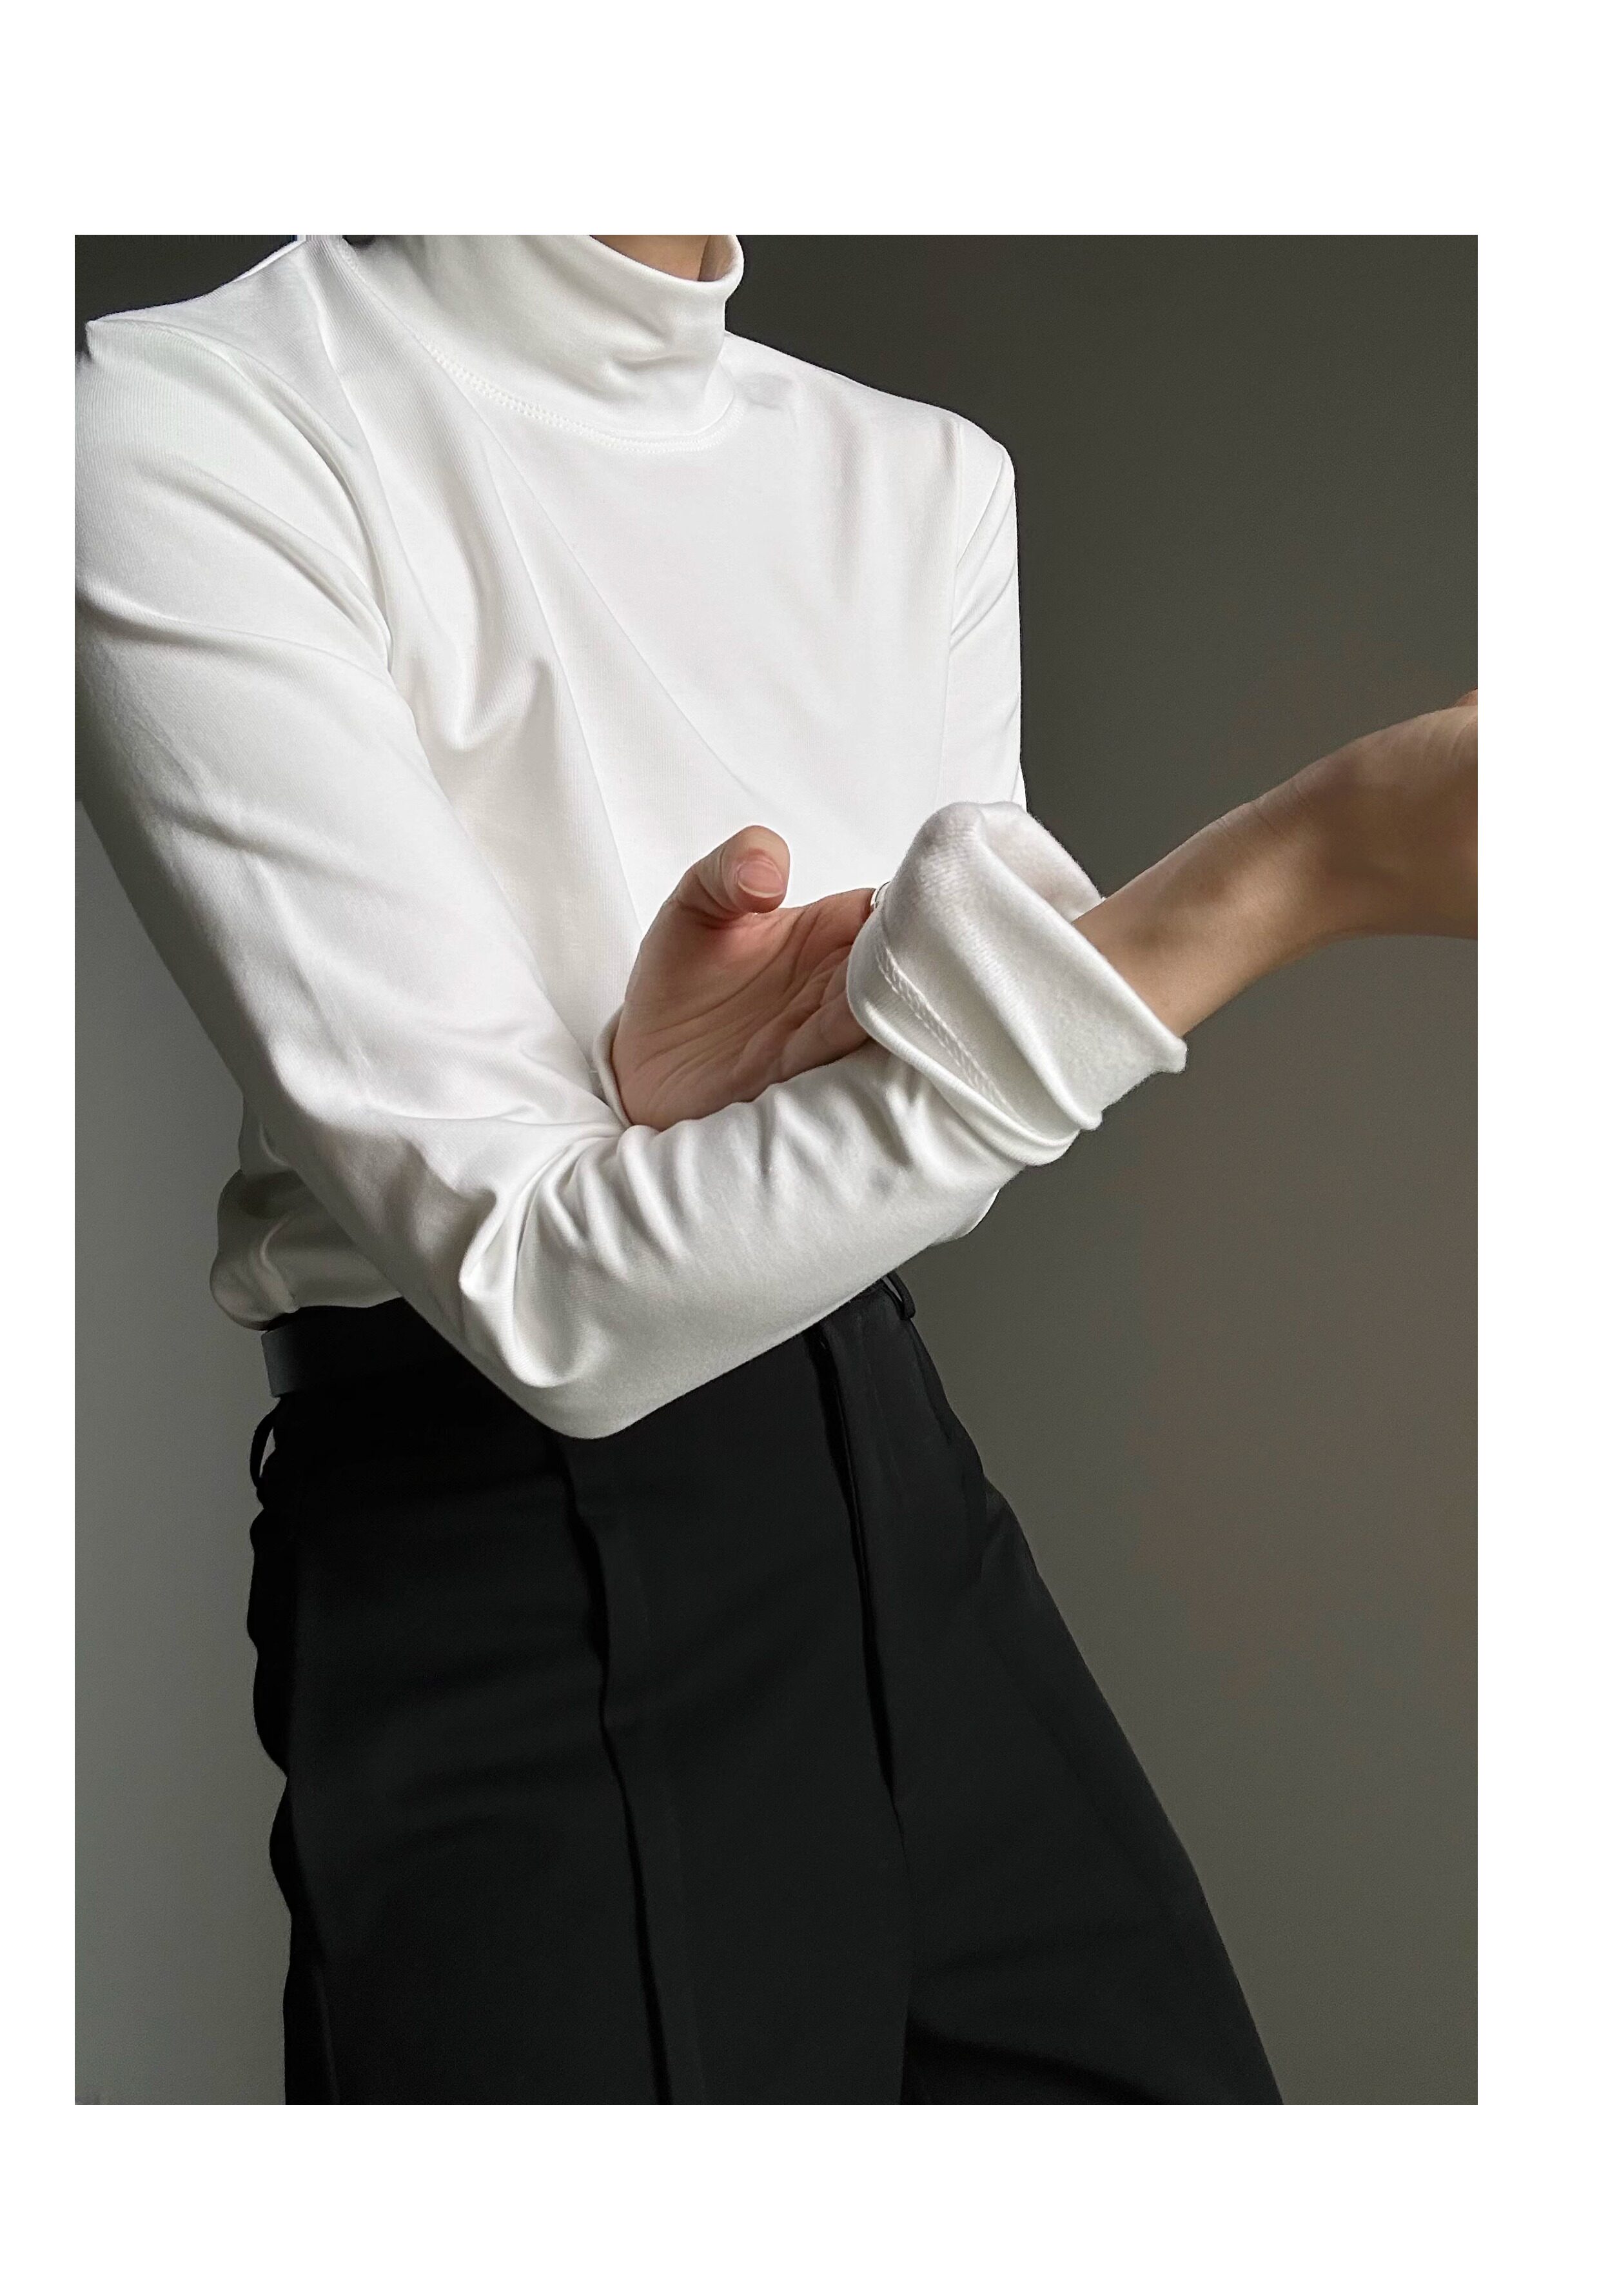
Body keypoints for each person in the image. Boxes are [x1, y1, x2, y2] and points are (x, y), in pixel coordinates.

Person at [75, 233, 1475, 2104]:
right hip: (503, 1562)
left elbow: (933, 1125)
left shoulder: (925, 480)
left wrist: (687, 1104)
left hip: (900, 1496)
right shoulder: (192, 420)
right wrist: (1305, 866)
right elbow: (543, 1297)